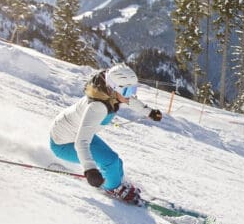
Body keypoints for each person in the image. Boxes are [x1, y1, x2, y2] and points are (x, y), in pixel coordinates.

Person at [49, 63, 163, 204]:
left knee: (116, 161)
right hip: (63, 143)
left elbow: (130, 100)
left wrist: (149, 112)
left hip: (73, 132)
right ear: (114, 88)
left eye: (133, 89)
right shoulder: (97, 107)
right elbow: (81, 142)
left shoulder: (109, 92)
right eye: (127, 91)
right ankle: (113, 188)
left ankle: (117, 182)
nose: (131, 94)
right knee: (110, 162)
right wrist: (90, 170)